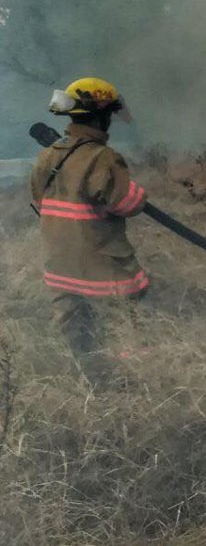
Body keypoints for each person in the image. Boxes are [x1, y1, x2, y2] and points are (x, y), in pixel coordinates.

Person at [29, 77, 148, 385]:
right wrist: (136, 192)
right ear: (101, 114)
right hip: (101, 265)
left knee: (75, 330)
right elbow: (126, 204)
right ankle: (129, 384)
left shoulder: (48, 154)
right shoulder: (102, 157)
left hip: (59, 264)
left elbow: (38, 198)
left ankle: (85, 380)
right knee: (122, 324)